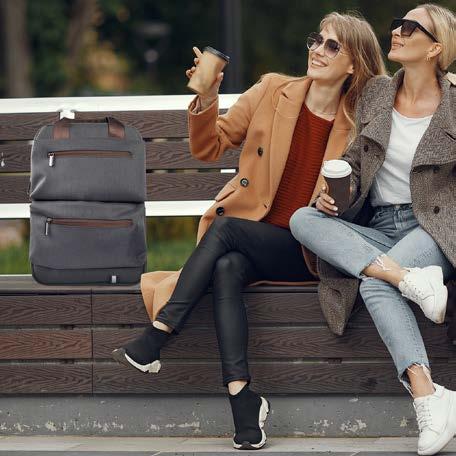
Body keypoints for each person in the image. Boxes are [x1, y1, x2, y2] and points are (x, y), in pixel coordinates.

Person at [112, 12, 386, 450]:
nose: (318, 50)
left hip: (308, 248)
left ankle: (159, 334)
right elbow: (209, 146)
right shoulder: (272, 90)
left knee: (226, 233)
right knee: (227, 268)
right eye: (316, 40)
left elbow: (364, 197)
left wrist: (338, 204)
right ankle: (243, 400)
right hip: (255, 237)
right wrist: (207, 98)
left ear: (354, 64)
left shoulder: (360, 123)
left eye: (332, 46)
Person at [289, 4, 456, 456]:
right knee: (303, 219)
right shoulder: (377, 93)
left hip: (434, 225)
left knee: (373, 285)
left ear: (435, 47)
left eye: (410, 27)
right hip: (379, 226)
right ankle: (407, 279)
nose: (396, 31)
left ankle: (427, 396)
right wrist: (334, 194)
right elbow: (356, 163)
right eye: (397, 24)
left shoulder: (455, 103)